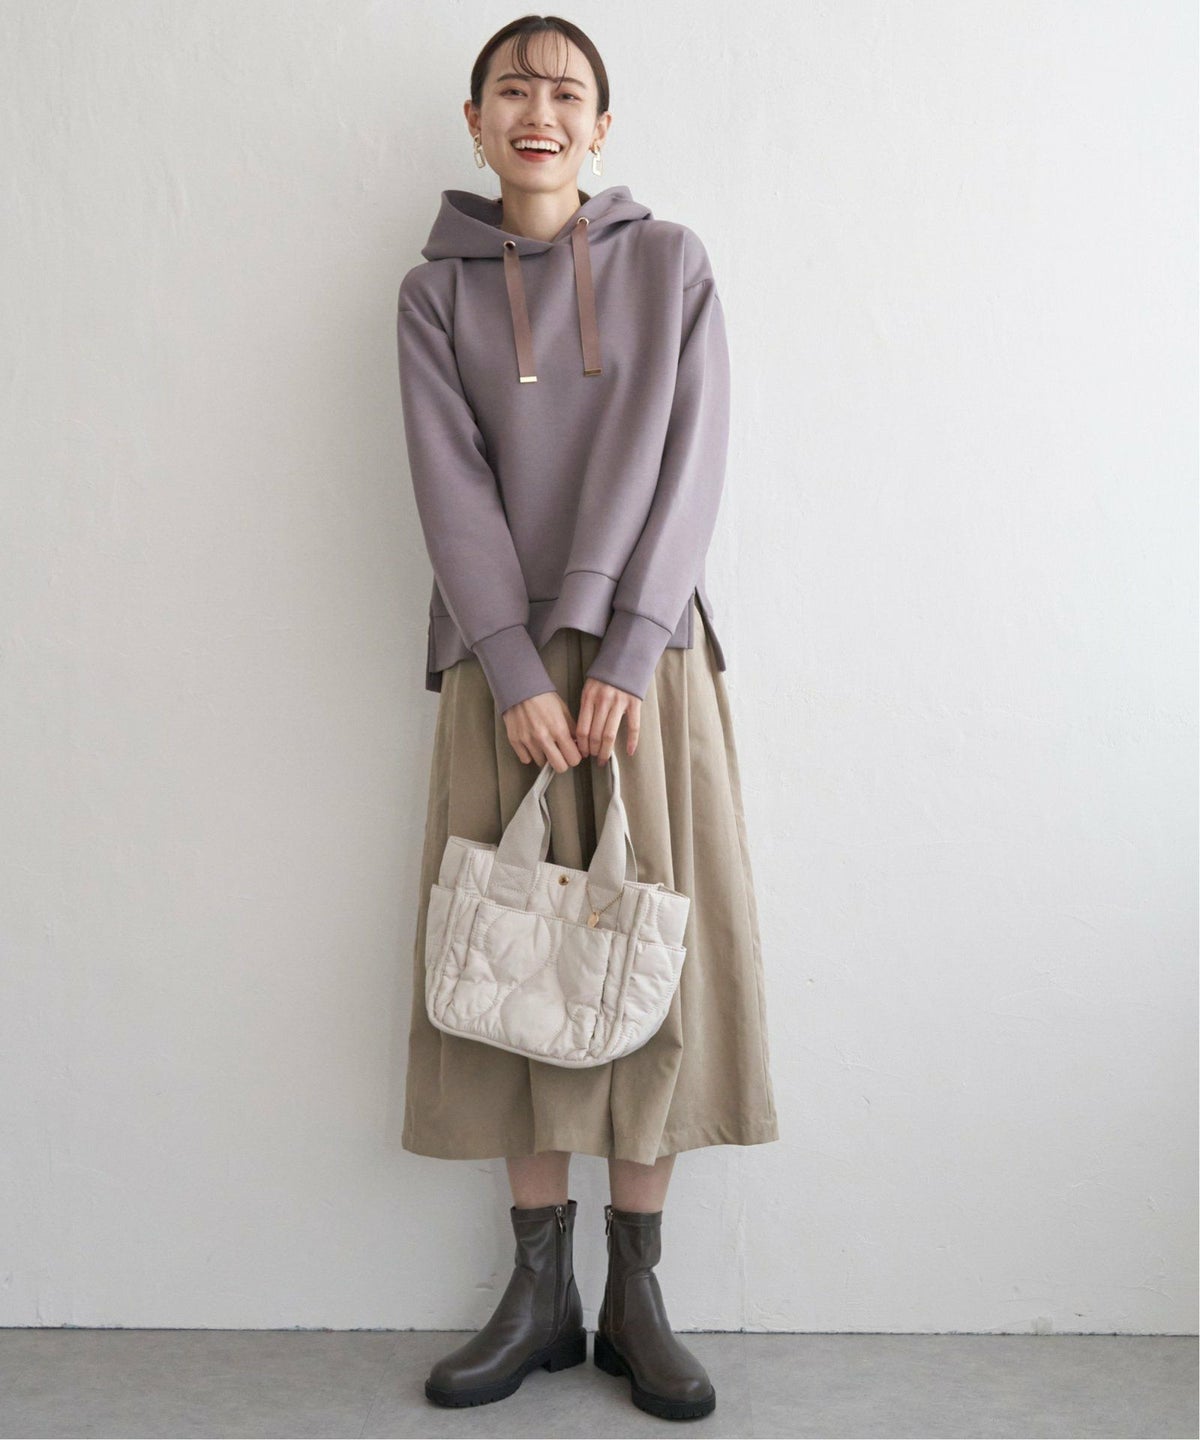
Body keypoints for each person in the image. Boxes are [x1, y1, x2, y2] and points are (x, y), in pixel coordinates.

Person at [394, 16, 779, 1423]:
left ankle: (637, 1295)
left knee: (655, 953)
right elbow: (446, 481)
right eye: (514, 88)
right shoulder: (431, 295)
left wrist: (629, 639)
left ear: (600, 128)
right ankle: (538, 1292)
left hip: (647, 664)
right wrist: (511, 664)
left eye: (567, 92)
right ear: (476, 119)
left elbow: (694, 457)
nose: (539, 110)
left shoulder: (671, 264)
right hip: (499, 668)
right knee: (508, 954)